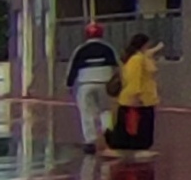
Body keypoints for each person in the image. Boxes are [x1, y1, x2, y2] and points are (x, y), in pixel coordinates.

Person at [65, 22, 119, 154]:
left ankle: (90, 141)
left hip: (85, 84)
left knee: (87, 112)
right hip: (105, 83)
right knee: (105, 110)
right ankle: (108, 132)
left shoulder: (80, 49)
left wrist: (69, 85)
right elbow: (117, 66)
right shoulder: (108, 49)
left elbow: (72, 69)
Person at [105, 33, 162, 155]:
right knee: (137, 126)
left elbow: (148, 55)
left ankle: (134, 147)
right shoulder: (137, 59)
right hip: (139, 100)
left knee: (140, 125)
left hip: (145, 99)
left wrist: (156, 49)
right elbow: (134, 79)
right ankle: (135, 148)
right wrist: (136, 95)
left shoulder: (141, 57)